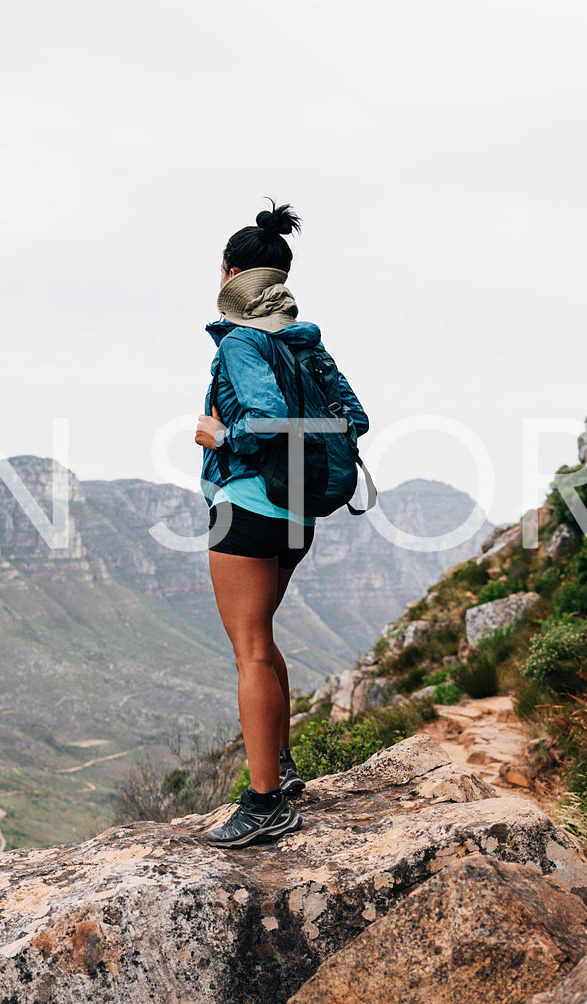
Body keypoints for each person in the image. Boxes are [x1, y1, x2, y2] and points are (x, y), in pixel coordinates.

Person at [194, 201, 368, 848]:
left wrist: (219, 436)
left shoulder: (241, 342)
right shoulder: (304, 341)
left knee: (249, 650)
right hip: (298, 515)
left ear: (230, 273)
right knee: (263, 641)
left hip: (247, 507)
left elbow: (261, 419)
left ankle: (265, 802)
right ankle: (283, 769)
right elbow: (354, 417)